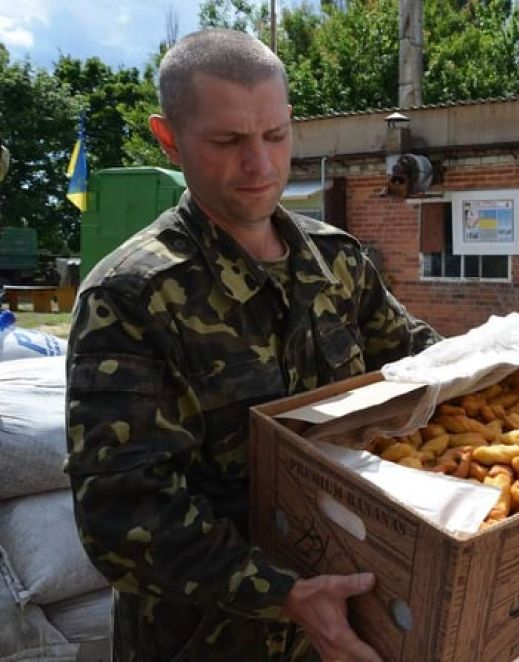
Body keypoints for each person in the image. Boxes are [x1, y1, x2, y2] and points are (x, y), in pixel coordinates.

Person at [65, 29, 438, 662]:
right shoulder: (131, 297)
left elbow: (425, 371)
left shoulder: (338, 262)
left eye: (276, 135)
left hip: (355, 621)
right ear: (169, 138)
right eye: (228, 141)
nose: (261, 166)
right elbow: (122, 519)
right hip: (209, 641)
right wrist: (284, 594)